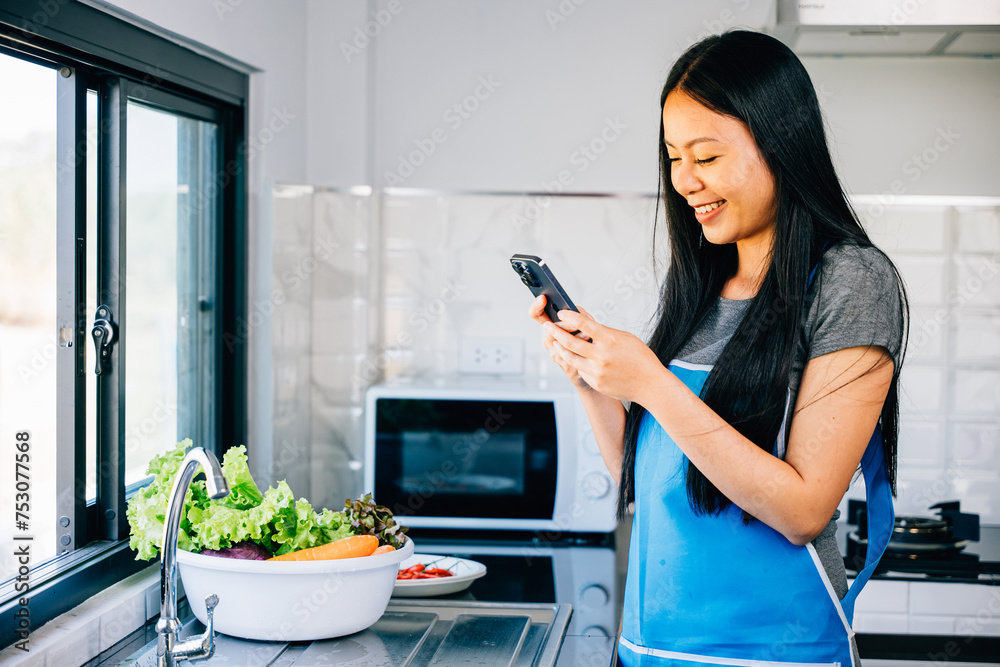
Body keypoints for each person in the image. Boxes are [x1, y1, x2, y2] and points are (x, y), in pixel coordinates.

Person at [529, 30, 908, 665]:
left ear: (780, 145)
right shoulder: (706, 283)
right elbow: (647, 475)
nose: (683, 182)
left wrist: (651, 381)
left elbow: (804, 509)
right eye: (673, 158)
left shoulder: (852, 280)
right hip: (650, 648)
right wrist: (593, 381)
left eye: (705, 158)